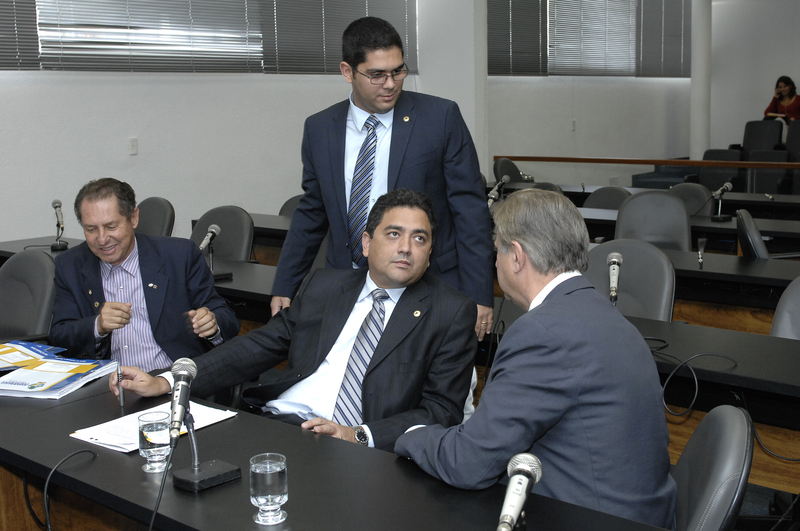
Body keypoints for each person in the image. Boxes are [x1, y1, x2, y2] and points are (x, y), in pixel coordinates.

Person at [394, 189, 677, 529]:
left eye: (496, 250)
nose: (494, 263)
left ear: (516, 256)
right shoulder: (606, 315)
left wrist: (411, 433)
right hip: (638, 512)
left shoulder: (543, 332)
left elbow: (469, 463)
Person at [113, 189, 477, 452]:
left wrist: (357, 435)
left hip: (358, 446)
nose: (406, 248)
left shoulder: (450, 311)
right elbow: (258, 345)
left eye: (419, 239)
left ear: (429, 252)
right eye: (394, 234)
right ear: (366, 243)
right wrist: (169, 380)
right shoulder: (326, 286)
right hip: (281, 424)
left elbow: (442, 410)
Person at [270, 16, 495, 341]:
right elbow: (312, 212)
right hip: (348, 285)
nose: (390, 84)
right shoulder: (320, 129)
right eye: (377, 75)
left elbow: (470, 211)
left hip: (428, 284)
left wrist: (479, 294)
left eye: (397, 71)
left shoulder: (440, 118)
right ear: (348, 71)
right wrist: (285, 284)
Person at [50, 178, 239, 372]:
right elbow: (59, 335)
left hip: (170, 378)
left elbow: (226, 317)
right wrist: (97, 326)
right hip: (107, 382)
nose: (102, 239)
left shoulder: (180, 256)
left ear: (134, 218)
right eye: (91, 229)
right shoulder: (70, 265)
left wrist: (212, 324)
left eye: (111, 227)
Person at [765, 76, 800, 143]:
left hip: (796, 126)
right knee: (779, 120)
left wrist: (795, 118)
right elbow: (767, 113)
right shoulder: (777, 101)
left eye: (785, 86)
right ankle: (784, 143)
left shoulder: (798, 99)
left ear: (790, 86)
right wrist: (775, 97)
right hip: (782, 126)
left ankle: (785, 143)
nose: (783, 89)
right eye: (780, 87)